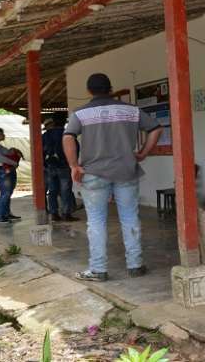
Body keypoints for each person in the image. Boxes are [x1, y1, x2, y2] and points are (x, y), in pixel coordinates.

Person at [63, 73, 163, 282]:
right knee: (130, 218)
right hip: (126, 171)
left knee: (97, 222)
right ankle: (135, 265)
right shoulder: (131, 110)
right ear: (110, 88)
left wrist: (73, 165)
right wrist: (143, 153)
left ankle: (98, 270)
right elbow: (155, 129)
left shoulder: (81, 113)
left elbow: (68, 136)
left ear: (89, 91)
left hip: (93, 173)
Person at [43, 116, 78, 222]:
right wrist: (73, 164)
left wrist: (44, 164)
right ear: (64, 123)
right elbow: (75, 148)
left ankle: (54, 213)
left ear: (53, 123)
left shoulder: (46, 135)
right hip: (64, 166)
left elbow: (40, 150)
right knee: (65, 190)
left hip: (50, 166)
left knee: (52, 191)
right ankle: (66, 214)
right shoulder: (68, 134)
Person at [0, 127, 21, 224]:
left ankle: (6, 213)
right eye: (2, 134)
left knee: (8, 193)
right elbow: (0, 158)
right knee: (5, 193)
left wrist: (12, 150)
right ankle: (0, 216)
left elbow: (7, 152)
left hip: (7, 170)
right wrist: (13, 162)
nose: (4, 135)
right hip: (2, 171)